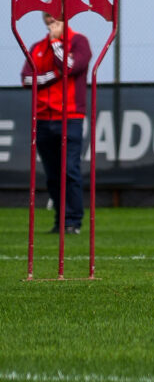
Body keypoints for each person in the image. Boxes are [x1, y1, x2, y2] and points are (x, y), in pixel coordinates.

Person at [21, 14, 93, 235]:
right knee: (52, 174)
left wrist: (56, 44)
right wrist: (54, 74)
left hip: (70, 116)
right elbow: (27, 79)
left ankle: (73, 221)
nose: (52, 25)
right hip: (43, 118)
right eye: (49, 21)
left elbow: (70, 68)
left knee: (69, 169)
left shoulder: (79, 42)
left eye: (56, 21)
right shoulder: (37, 47)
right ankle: (60, 220)